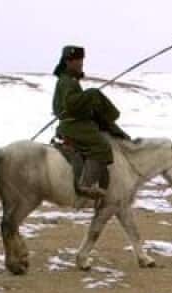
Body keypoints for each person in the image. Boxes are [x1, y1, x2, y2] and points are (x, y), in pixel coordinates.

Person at [51, 45, 131, 199]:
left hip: (72, 123)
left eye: (81, 61)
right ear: (68, 62)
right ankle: (85, 186)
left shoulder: (68, 80)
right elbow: (70, 104)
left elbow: (66, 106)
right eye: (78, 61)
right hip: (73, 125)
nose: (81, 64)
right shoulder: (67, 81)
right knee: (101, 146)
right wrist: (89, 95)